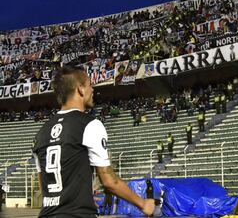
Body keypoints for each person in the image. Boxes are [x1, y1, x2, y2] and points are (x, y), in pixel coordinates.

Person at [32, 66, 155, 218]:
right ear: (81, 89)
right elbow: (109, 181)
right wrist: (143, 204)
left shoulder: (40, 133)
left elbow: (44, 186)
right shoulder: (90, 124)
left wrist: (81, 194)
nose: (93, 90)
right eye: (90, 85)